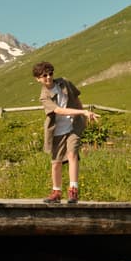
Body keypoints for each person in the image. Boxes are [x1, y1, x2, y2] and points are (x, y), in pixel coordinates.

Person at [33, 61, 100, 203]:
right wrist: (83, 111)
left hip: (73, 126)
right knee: (56, 162)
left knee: (72, 154)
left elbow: (76, 98)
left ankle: (73, 191)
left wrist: (84, 115)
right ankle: (56, 192)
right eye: (44, 76)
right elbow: (58, 110)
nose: (48, 78)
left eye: (50, 74)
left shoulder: (65, 83)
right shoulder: (44, 96)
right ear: (38, 79)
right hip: (57, 129)